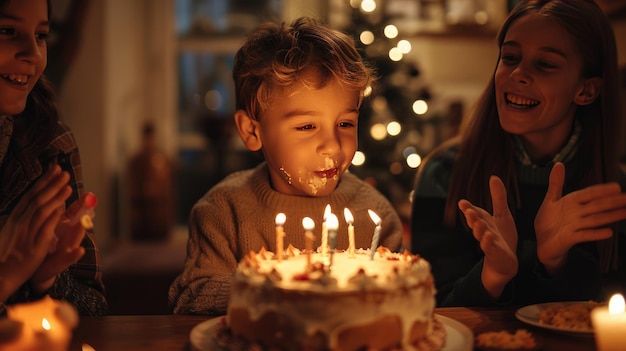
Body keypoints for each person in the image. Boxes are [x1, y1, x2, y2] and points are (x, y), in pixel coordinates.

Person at [169, 17, 404, 316]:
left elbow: (397, 301)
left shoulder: (376, 216)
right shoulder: (222, 212)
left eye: (345, 123)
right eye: (307, 126)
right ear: (252, 132)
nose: (332, 145)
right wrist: (276, 291)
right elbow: (192, 298)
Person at [411, 0, 626, 307]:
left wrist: (557, 263)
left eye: (546, 64)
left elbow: (612, 320)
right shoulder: (444, 174)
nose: (518, 74)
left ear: (586, 90)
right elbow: (427, 313)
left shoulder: (613, 193)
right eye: (510, 57)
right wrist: (492, 275)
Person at [0, 0, 107, 315]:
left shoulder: (51, 146)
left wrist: (47, 277)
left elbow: (95, 313)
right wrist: (6, 277)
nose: (32, 54)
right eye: (7, 31)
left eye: (41, 35)